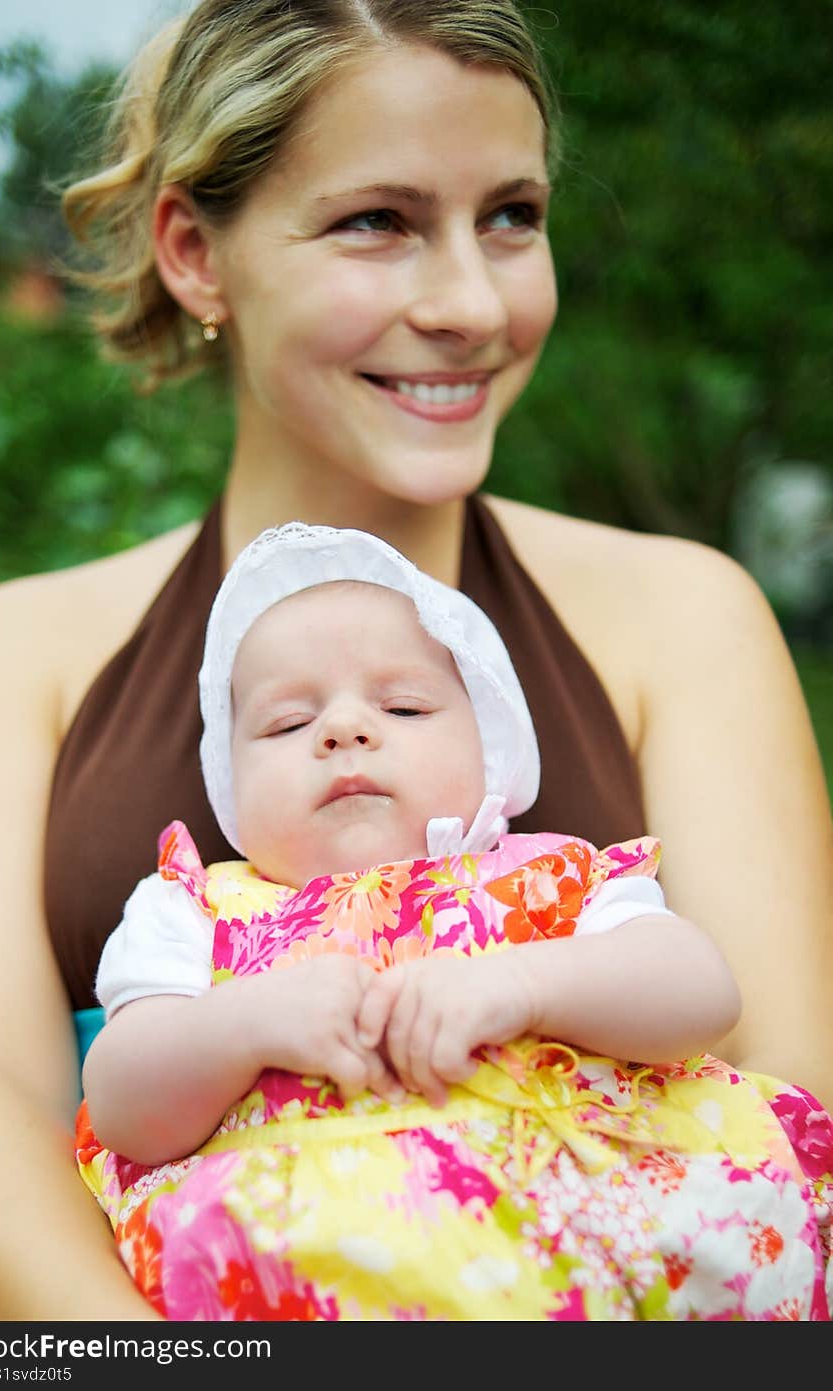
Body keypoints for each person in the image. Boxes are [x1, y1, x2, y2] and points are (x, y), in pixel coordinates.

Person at [0, 0, 830, 1324]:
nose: (472, 302)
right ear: (194, 249)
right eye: (379, 220)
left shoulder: (685, 613)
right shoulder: (20, 651)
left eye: (513, 216)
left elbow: (793, 1084)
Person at [75, 521, 833, 1321]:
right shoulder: (194, 910)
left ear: (491, 752)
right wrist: (243, 1024)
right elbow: (124, 1107)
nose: (342, 729)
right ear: (229, 783)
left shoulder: (549, 880)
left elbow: (701, 995)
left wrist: (525, 981)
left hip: (589, 1252)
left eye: (402, 704)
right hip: (302, 1278)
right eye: (287, 724)